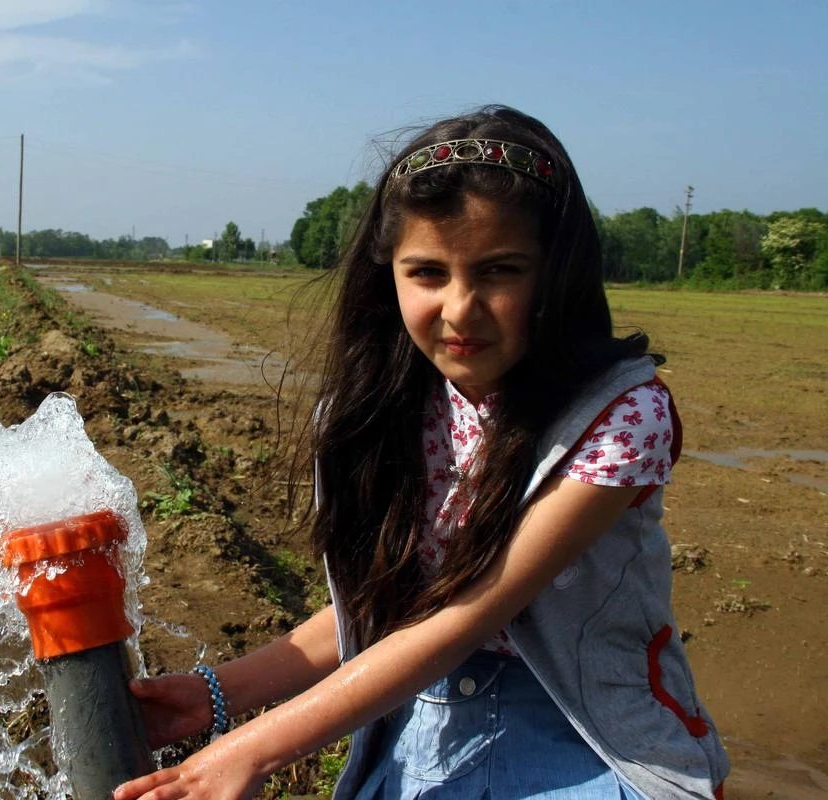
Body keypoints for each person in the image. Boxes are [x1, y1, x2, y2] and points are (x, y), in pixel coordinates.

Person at [113, 106, 729, 800]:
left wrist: (253, 750)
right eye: (428, 273)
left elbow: (470, 611)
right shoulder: (386, 411)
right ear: (390, 278)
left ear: (556, 274)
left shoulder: (620, 416)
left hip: (584, 735)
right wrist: (212, 696)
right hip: (416, 715)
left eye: (499, 271)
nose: (461, 308)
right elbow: (386, 608)